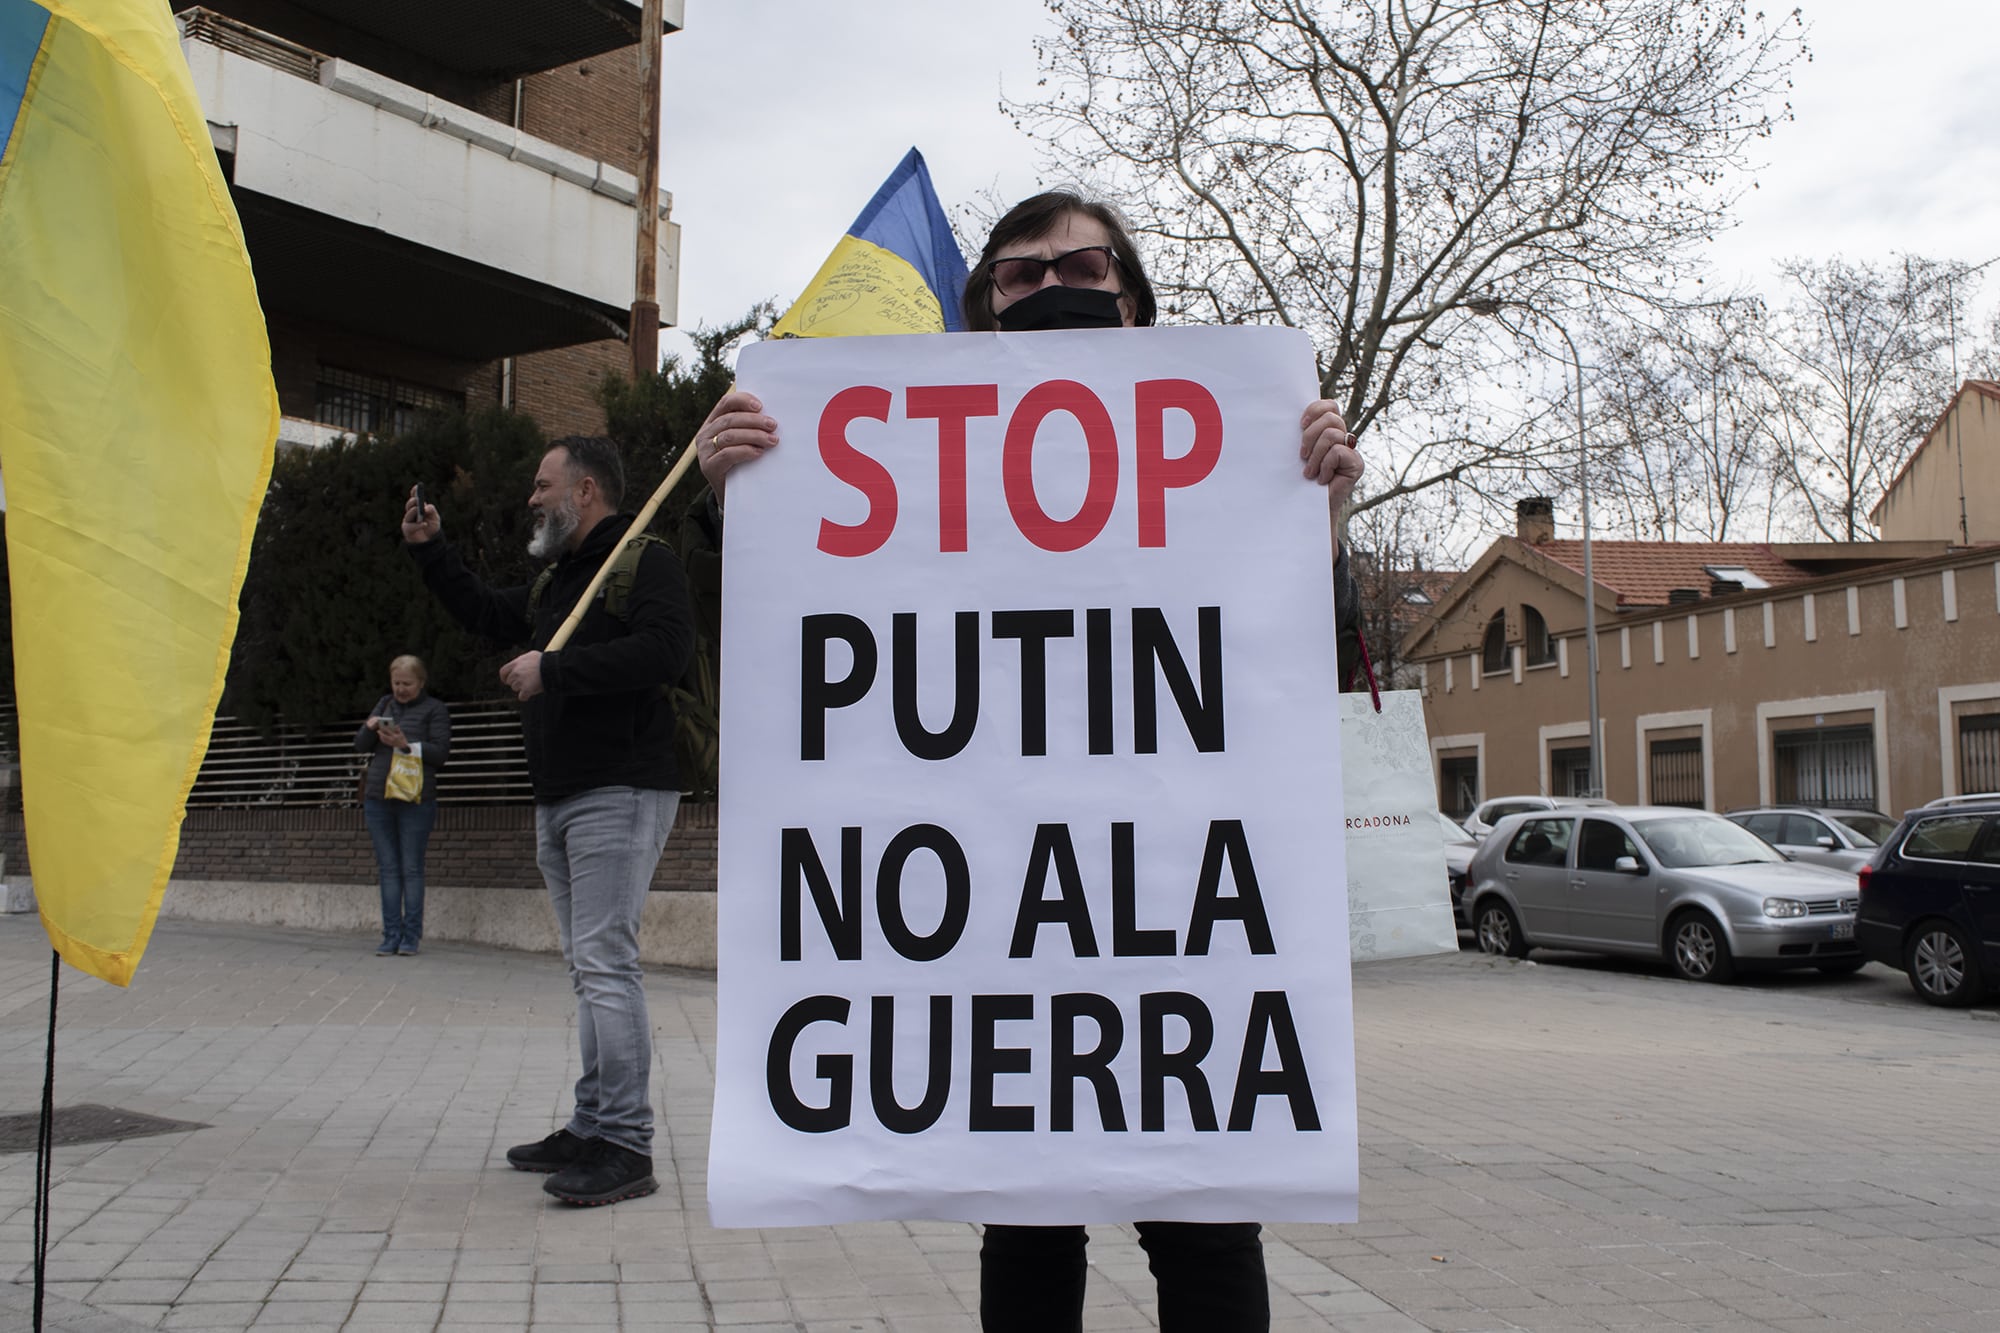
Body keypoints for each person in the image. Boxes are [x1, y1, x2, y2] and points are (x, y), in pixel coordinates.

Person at [689, 191, 1367, 1332]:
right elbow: (814, 665)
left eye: (1084, 265)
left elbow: (1290, 672)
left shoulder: (1237, 442)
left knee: (1205, 1215)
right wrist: (742, 505)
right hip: (1002, 913)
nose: (1052, 285)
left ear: (1135, 298)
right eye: (1017, 275)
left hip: (1171, 911)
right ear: (984, 315)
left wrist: (1320, 522)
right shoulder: (919, 464)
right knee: (1027, 1213)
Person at [400, 435, 696, 1207]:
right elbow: (493, 615)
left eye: (542, 484)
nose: (531, 497)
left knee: (605, 962)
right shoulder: (561, 580)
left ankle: (626, 1144)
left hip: (619, 787)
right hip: (561, 792)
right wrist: (435, 553)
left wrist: (554, 668)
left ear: (586, 489)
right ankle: (592, 1120)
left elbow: (666, 653)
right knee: (586, 967)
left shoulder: (644, 560)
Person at [354, 654, 451, 956]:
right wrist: (369, 727)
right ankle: (389, 935)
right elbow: (359, 747)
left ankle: (410, 938)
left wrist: (406, 745)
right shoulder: (384, 704)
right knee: (388, 869)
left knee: (411, 869)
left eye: (407, 683)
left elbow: (441, 754)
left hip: (415, 799)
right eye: (396, 683)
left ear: (421, 682)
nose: (401, 689)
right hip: (378, 797)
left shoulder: (435, 710)